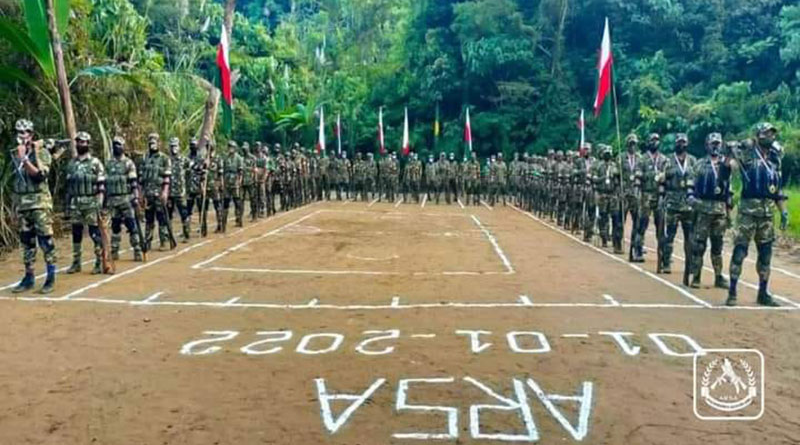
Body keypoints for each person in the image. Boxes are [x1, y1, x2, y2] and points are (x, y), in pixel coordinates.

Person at [726, 123, 790, 307]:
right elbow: (732, 166)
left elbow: (777, 189)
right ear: (759, 136)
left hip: (767, 212)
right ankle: (732, 291)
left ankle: (763, 292)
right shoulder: (748, 154)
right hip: (748, 211)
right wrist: (732, 154)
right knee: (740, 251)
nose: (771, 137)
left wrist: (783, 210)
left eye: (773, 134)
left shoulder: (774, 160)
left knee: (766, 254)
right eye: (767, 134)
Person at [10, 119, 57, 293]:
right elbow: (17, 183)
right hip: (24, 206)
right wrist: (15, 206)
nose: (22, 136)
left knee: (46, 241)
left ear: (31, 134)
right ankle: (29, 277)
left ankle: (50, 276)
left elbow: (40, 175)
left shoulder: (42, 152)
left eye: (25, 132)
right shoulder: (15, 154)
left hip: (40, 205)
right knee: (27, 242)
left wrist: (26, 158)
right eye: (19, 132)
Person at [687, 133, 731, 289]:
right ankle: (696, 276)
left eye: (718, 144)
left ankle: (718, 276)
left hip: (719, 210)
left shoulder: (725, 165)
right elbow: (690, 184)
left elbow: (729, 191)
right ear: (707, 145)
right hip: (703, 209)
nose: (715, 146)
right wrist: (691, 198)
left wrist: (729, 213)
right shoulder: (699, 164)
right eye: (713, 143)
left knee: (717, 245)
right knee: (699, 245)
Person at [65, 132, 108, 274]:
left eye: (83, 142)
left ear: (88, 144)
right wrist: (67, 206)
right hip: (76, 203)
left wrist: (100, 204)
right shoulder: (72, 164)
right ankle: (76, 262)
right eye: (78, 142)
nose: (81, 144)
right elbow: (69, 188)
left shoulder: (95, 163)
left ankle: (99, 262)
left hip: (91, 203)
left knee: (94, 233)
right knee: (76, 233)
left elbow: (102, 185)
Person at [660, 133, 696, 283]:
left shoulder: (693, 160)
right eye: (679, 142)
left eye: (684, 142)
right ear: (675, 144)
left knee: (690, 236)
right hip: (673, 201)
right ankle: (666, 261)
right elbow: (661, 178)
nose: (681, 145)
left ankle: (691, 263)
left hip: (688, 203)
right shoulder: (667, 160)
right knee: (670, 235)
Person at [105, 136, 143, 262]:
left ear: (123, 147)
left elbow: (133, 182)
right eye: (115, 144)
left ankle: (137, 250)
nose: (117, 147)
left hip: (126, 199)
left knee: (132, 226)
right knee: (115, 226)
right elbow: (104, 183)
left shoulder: (128, 163)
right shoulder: (109, 164)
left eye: (119, 144)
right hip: (113, 200)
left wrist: (136, 197)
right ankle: (114, 251)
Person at [636, 133, 667, 268]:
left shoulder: (664, 159)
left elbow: (668, 176)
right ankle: (637, 250)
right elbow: (637, 177)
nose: (655, 142)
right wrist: (637, 192)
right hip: (646, 194)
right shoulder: (642, 159)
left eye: (657, 140)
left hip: (660, 195)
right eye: (652, 140)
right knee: (643, 223)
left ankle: (663, 254)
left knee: (660, 225)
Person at [140, 133, 172, 251]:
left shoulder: (164, 158)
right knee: (149, 219)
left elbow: (167, 177)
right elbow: (141, 178)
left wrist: (165, 192)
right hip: (148, 194)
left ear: (159, 143)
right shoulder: (145, 158)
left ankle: (164, 241)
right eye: (150, 141)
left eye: (155, 141)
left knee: (161, 218)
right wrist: (141, 194)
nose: (152, 144)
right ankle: (147, 241)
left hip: (159, 193)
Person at [593, 144, 623, 252]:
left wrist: (616, 176)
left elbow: (620, 179)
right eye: (606, 154)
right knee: (603, 217)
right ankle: (604, 237)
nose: (608, 156)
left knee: (615, 217)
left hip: (613, 194)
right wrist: (604, 177)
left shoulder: (615, 166)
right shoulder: (598, 166)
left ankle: (616, 239)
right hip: (603, 194)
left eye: (609, 154)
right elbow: (594, 179)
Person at [621, 134, 643, 262]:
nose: (632, 146)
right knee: (620, 221)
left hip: (636, 194)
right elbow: (616, 175)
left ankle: (634, 249)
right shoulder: (621, 157)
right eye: (630, 144)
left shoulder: (640, 159)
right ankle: (618, 241)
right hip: (624, 193)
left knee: (637, 222)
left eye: (634, 144)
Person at [167, 137, 191, 243]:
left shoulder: (183, 159)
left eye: (175, 146)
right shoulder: (166, 160)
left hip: (180, 192)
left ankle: (186, 234)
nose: (173, 149)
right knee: (168, 215)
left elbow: (193, 168)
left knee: (183, 213)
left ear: (179, 147)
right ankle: (169, 236)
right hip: (169, 192)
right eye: (172, 146)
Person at [222, 141, 244, 231]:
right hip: (227, 182)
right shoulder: (225, 158)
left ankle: (239, 219)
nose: (230, 148)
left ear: (235, 148)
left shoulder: (238, 158)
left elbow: (241, 171)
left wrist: (239, 181)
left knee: (237, 201)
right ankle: (223, 223)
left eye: (232, 147)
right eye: (229, 147)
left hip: (235, 181)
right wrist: (223, 183)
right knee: (226, 202)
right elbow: (222, 171)